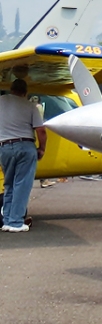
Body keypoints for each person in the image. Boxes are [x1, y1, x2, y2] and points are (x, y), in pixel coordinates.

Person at [0, 78, 46, 233]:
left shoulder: (1, 101)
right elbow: (41, 131)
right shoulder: (30, 106)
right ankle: (16, 222)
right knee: (22, 184)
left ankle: (7, 220)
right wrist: (42, 148)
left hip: (4, 146)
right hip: (25, 145)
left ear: (11, 89)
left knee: (9, 184)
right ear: (25, 92)